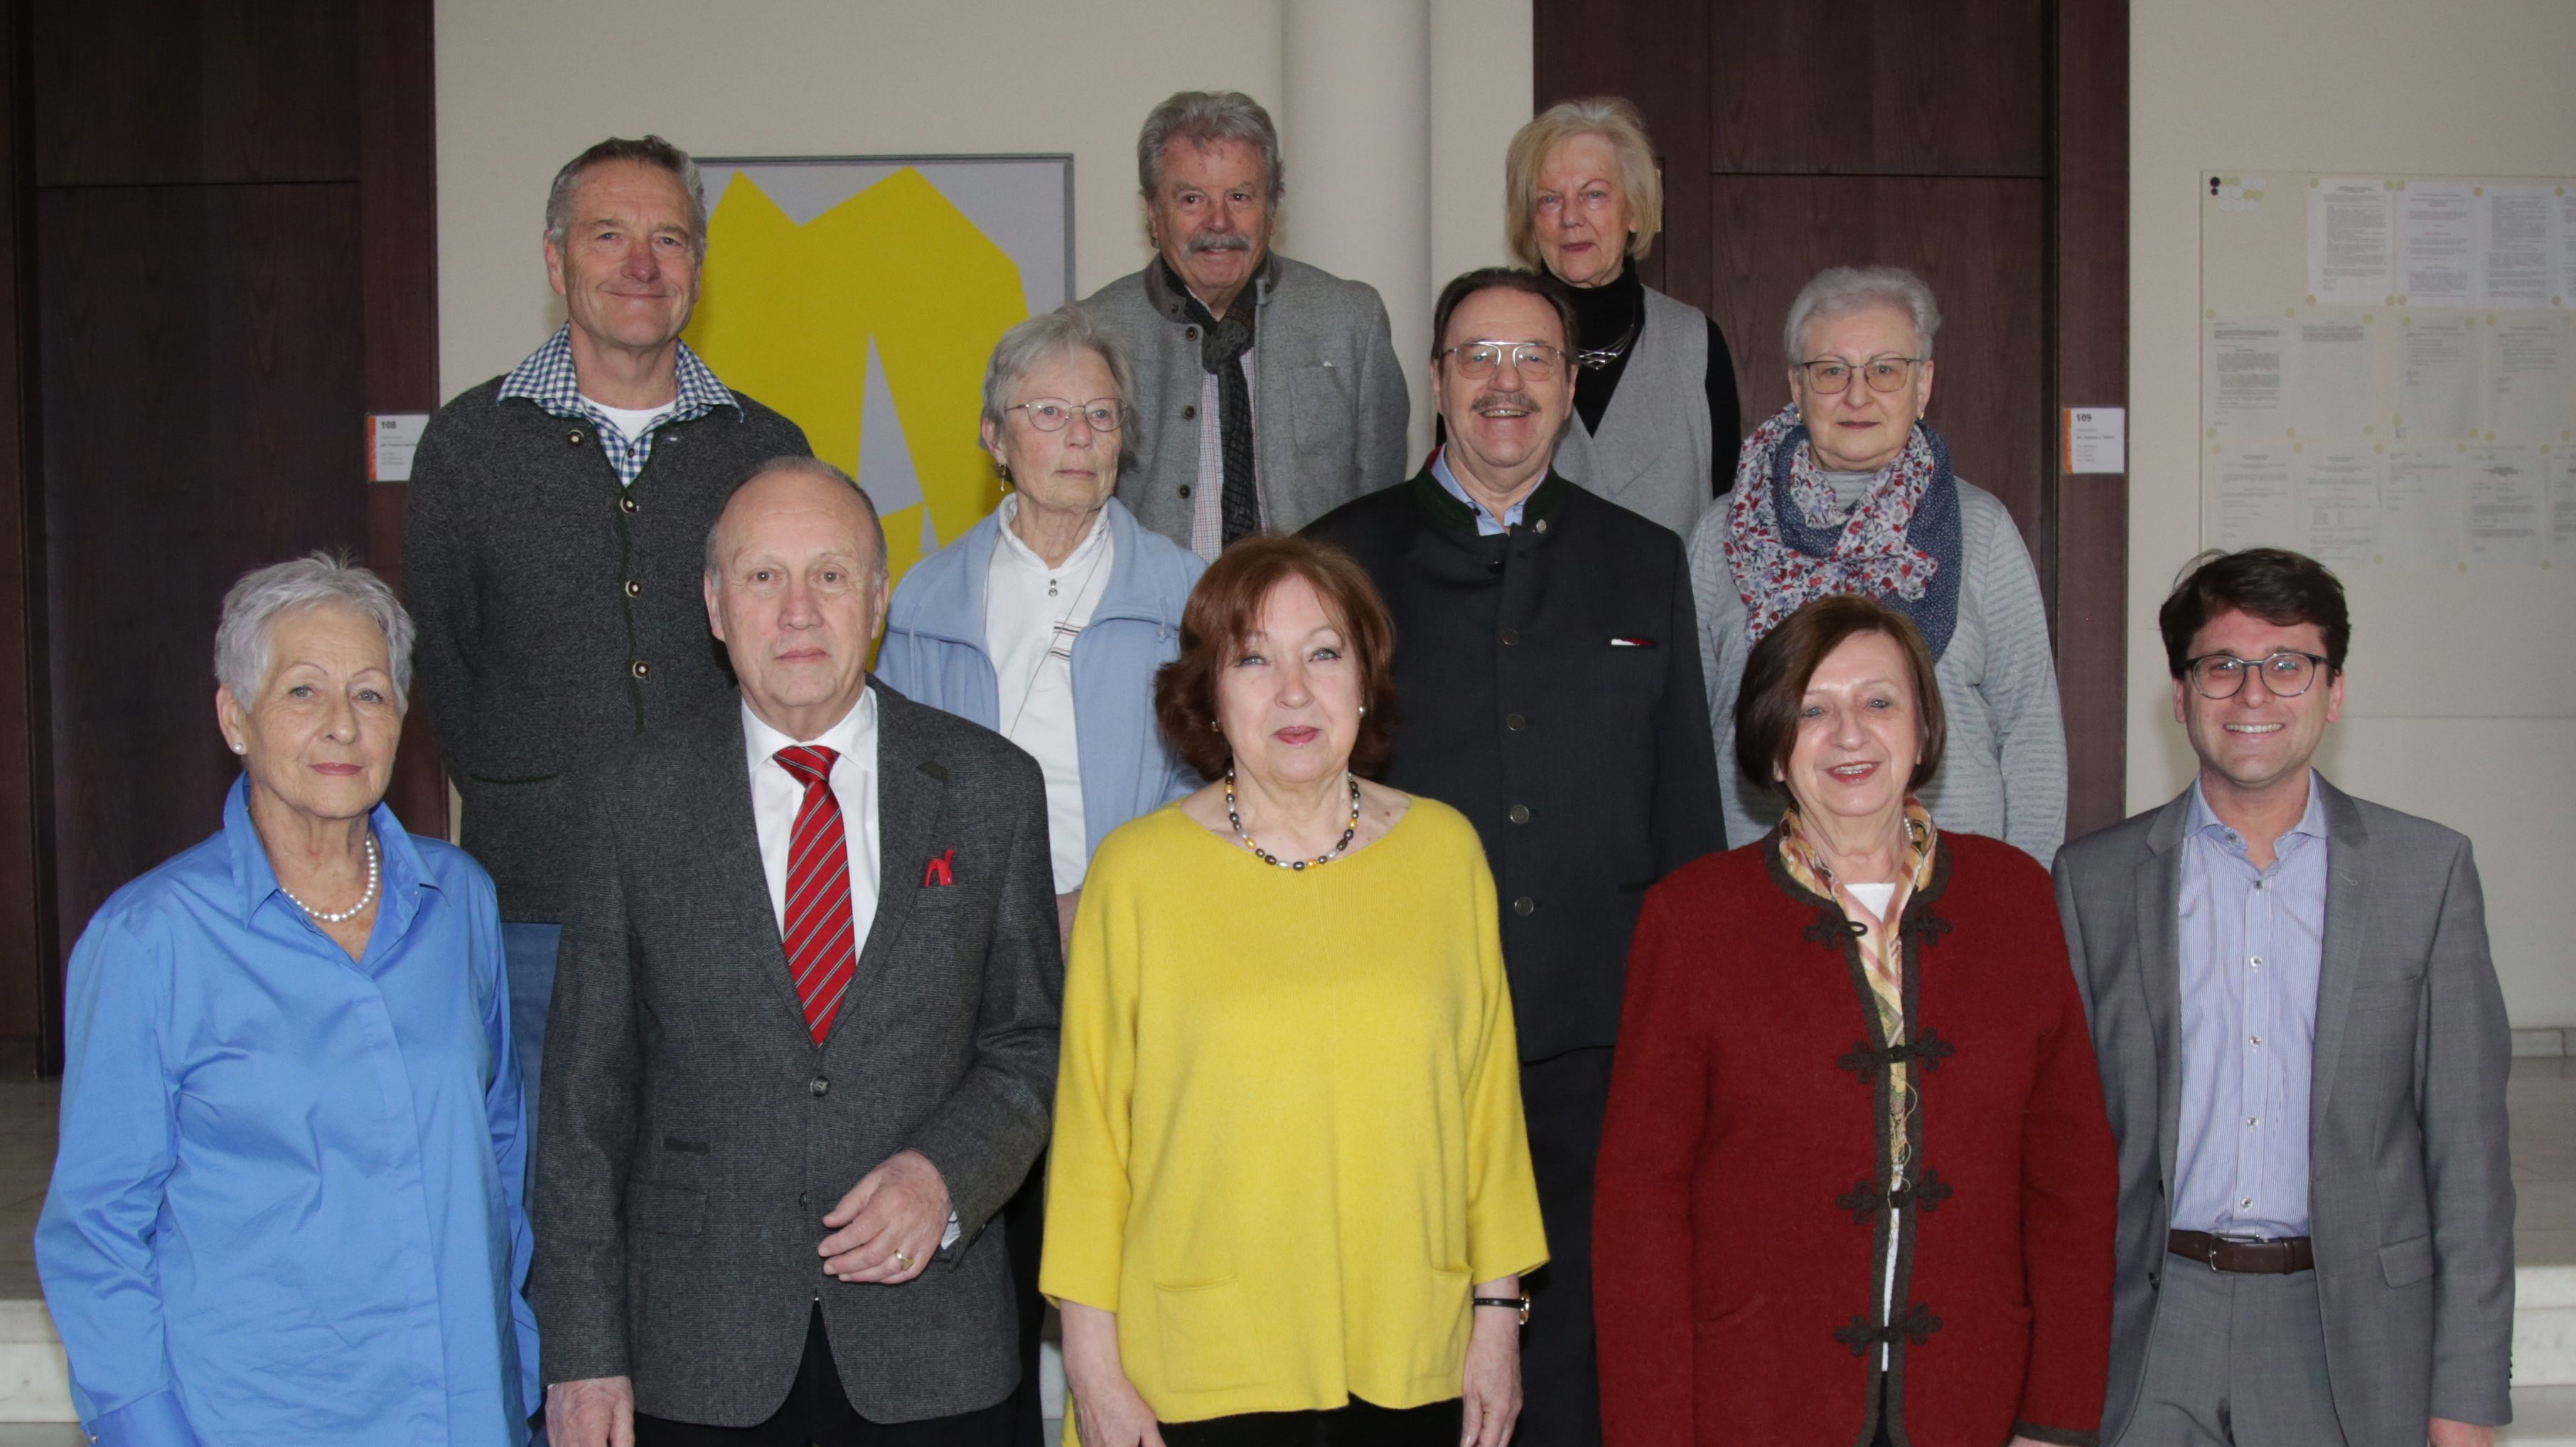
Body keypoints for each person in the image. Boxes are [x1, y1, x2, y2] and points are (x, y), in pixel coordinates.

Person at [534, 459, 1061, 1447]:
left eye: (829, 573)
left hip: (934, 1348)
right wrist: (581, 1348)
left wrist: (946, 1175)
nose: (798, 610)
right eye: (763, 576)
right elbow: (582, 1104)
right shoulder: (630, 802)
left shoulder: (991, 789)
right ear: (714, 603)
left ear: (877, 596)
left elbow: (1032, 1038)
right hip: (698, 1352)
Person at [1304, 267, 1723, 1447]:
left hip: (1595, 1048)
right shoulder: (1340, 561)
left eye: (1534, 358)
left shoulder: (1644, 562)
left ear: (1565, 386)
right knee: (1405, 1371)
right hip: (1399, 1046)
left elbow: (1685, 809)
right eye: (1476, 357)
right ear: (1435, 380)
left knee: (1577, 1376)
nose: (1504, 384)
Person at [1042, 535, 1548, 1447]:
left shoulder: (1445, 854)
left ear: (1364, 676)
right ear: (1209, 692)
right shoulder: (1136, 874)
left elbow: (1489, 1116)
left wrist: (1498, 1319)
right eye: (1252, 657)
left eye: (1323, 652)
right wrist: (1092, 1366)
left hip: (1413, 1357)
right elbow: (1089, 1146)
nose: (1293, 690)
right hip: (1193, 1375)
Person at [36, 553, 540, 1445]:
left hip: (463, 1408)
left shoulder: (460, 899)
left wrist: (517, 1355)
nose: (343, 726)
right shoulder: (152, 938)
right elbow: (96, 1232)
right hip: (260, 1417)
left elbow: (498, 1151)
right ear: (236, 717)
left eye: (372, 694)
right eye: (304, 692)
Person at [1596, 594, 2115, 1447]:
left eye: (1879, 702)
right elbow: (1639, 1216)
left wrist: (2057, 1421)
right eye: (1812, 708)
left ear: (1923, 730)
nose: (1850, 734)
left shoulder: (2014, 898)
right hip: (1757, 1402)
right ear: (1771, 745)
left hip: (1974, 1400)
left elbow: (2071, 1183)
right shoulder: (1691, 920)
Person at [2054, 548, 2513, 1447]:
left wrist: (2466, 1394)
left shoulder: (2427, 874)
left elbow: (2470, 1159)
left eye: (2287, 665)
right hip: (2150, 1324)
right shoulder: (2093, 882)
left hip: (2346, 1329)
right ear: (2181, 695)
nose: (2252, 695)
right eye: (2221, 666)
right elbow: (2056, 1149)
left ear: (2332, 691)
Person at [405, 134, 811, 1129]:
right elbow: (440, 662)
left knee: (719, 1179)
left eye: (668, 239)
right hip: (534, 902)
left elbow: (806, 661)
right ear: (556, 259)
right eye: (610, 235)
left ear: (698, 268)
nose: (642, 265)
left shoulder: (766, 449)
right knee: (547, 1189)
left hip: (729, 899)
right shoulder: (469, 444)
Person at [876, 304, 1206, 1446]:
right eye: (1049, 412)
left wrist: (1101, 896)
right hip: (966, 978)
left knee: (1129, 1252)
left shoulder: (1190, 593)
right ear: (992, 435)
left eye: (1101, 415)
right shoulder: (919, 602)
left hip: (1134, 962)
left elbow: (1217, 780)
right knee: (995, 1262)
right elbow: (894, 791)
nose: (1079, 435)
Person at [1689, 265, 2064, 863]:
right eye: (1831, 371)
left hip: (1953, 886)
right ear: (1796, 385)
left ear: (1924, 385)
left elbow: (2032, 731)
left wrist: (2025, 893)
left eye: (1886, 369)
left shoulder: (1983, 529)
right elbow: (1688, 731)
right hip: (1760, 883)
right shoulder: (1721, 533)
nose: (1857, 395)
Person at [1087, 90, 1409, 558]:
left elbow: (1383, 511)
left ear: (1272, 210)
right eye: (1192, 199)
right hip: (1150, 623)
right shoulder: (1092, 334)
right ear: (1154, 215)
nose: (1219, 221)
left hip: (1310, 620)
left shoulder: (1352, 322)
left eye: (1240, 196)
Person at [1504, 96, 1741, 538]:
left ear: (1633, 211)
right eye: (1550, 200)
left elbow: (1729, 521)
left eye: (1594, 195)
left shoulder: (1696, 343)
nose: (1571, 217)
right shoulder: (1490, 346)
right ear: (1531, 222)